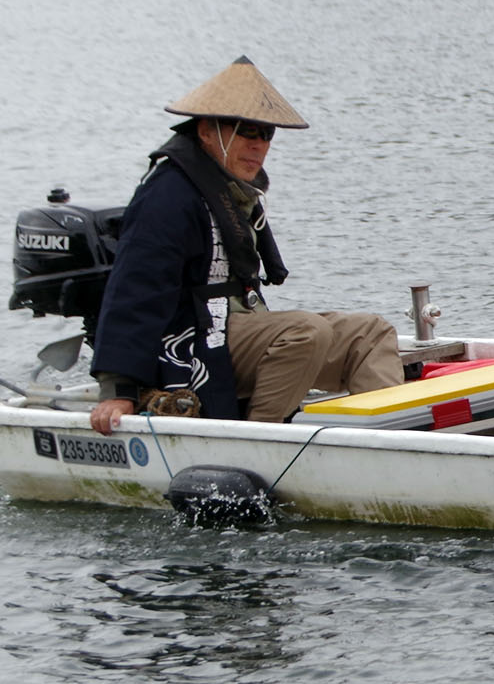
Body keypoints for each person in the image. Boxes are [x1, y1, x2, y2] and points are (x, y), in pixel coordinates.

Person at [88, 57, 402, 435]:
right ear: (206, 131)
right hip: (190, 340)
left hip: (238, 325)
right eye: (247, 131)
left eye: (266, 134)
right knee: (306, 332)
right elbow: (134, 289)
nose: (259, 146)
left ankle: (385, 440)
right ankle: (258, 441)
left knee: (371, 332)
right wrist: (119, 388)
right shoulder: (168, 194)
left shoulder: (234, 188)